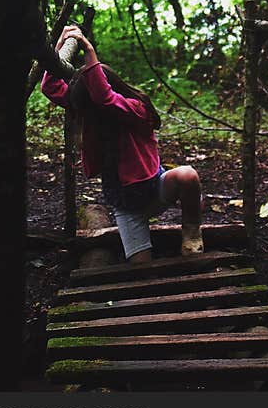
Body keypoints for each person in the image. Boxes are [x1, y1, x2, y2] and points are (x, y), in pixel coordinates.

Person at [41, 25, 203, 263]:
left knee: (188, 175)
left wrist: (88, 50)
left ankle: (192, 229)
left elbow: (105, 98)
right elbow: (51, 87)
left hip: (155, 190)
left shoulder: (135, 109)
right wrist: (58, 51)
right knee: (141, 267)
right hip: (127, 208)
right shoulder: (90, 111)